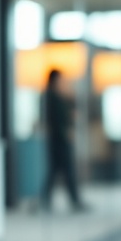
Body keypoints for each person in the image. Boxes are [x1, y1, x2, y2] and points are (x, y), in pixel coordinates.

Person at [41, 69, 86, 211]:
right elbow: (54, 120)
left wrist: (70, 97)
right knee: (64, 171)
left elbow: (71, 115)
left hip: (63, 139)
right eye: (61, 80)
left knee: (58, 171)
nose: (63, 83)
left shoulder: (61, 96)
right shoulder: (50, 97)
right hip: (58, 140)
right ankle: (71, 201)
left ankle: (47, 200)